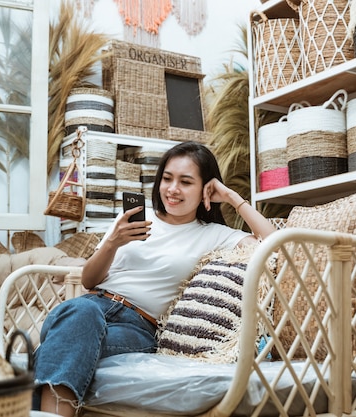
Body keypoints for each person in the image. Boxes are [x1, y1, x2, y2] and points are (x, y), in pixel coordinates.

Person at [33, 141, 276, 416]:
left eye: (186, 182)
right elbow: (89, 280)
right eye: (167, 179)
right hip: (90, 307)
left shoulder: (213, 234)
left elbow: (274, 243)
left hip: (137, 328)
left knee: (61, 342)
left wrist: (232, 197)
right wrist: (113, 243)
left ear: (206, 189)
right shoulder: (134, 219)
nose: (172, 189)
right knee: (81, 313)